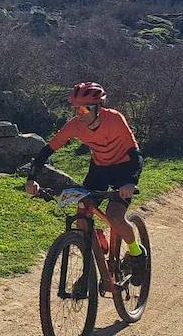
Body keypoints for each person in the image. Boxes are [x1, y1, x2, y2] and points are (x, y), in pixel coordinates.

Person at [25, 82, 145, 292]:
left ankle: (137, 253)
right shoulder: (74, 125)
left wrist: (130, 182)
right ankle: (91, 267)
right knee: (82, 215)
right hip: (99, 169)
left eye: (84, 108)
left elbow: (136, 155)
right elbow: (47, 150)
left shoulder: (115, 119)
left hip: (124, 169)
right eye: (75, 109)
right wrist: (31, 178)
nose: (79, 114)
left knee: (115, 216)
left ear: (98, 107)